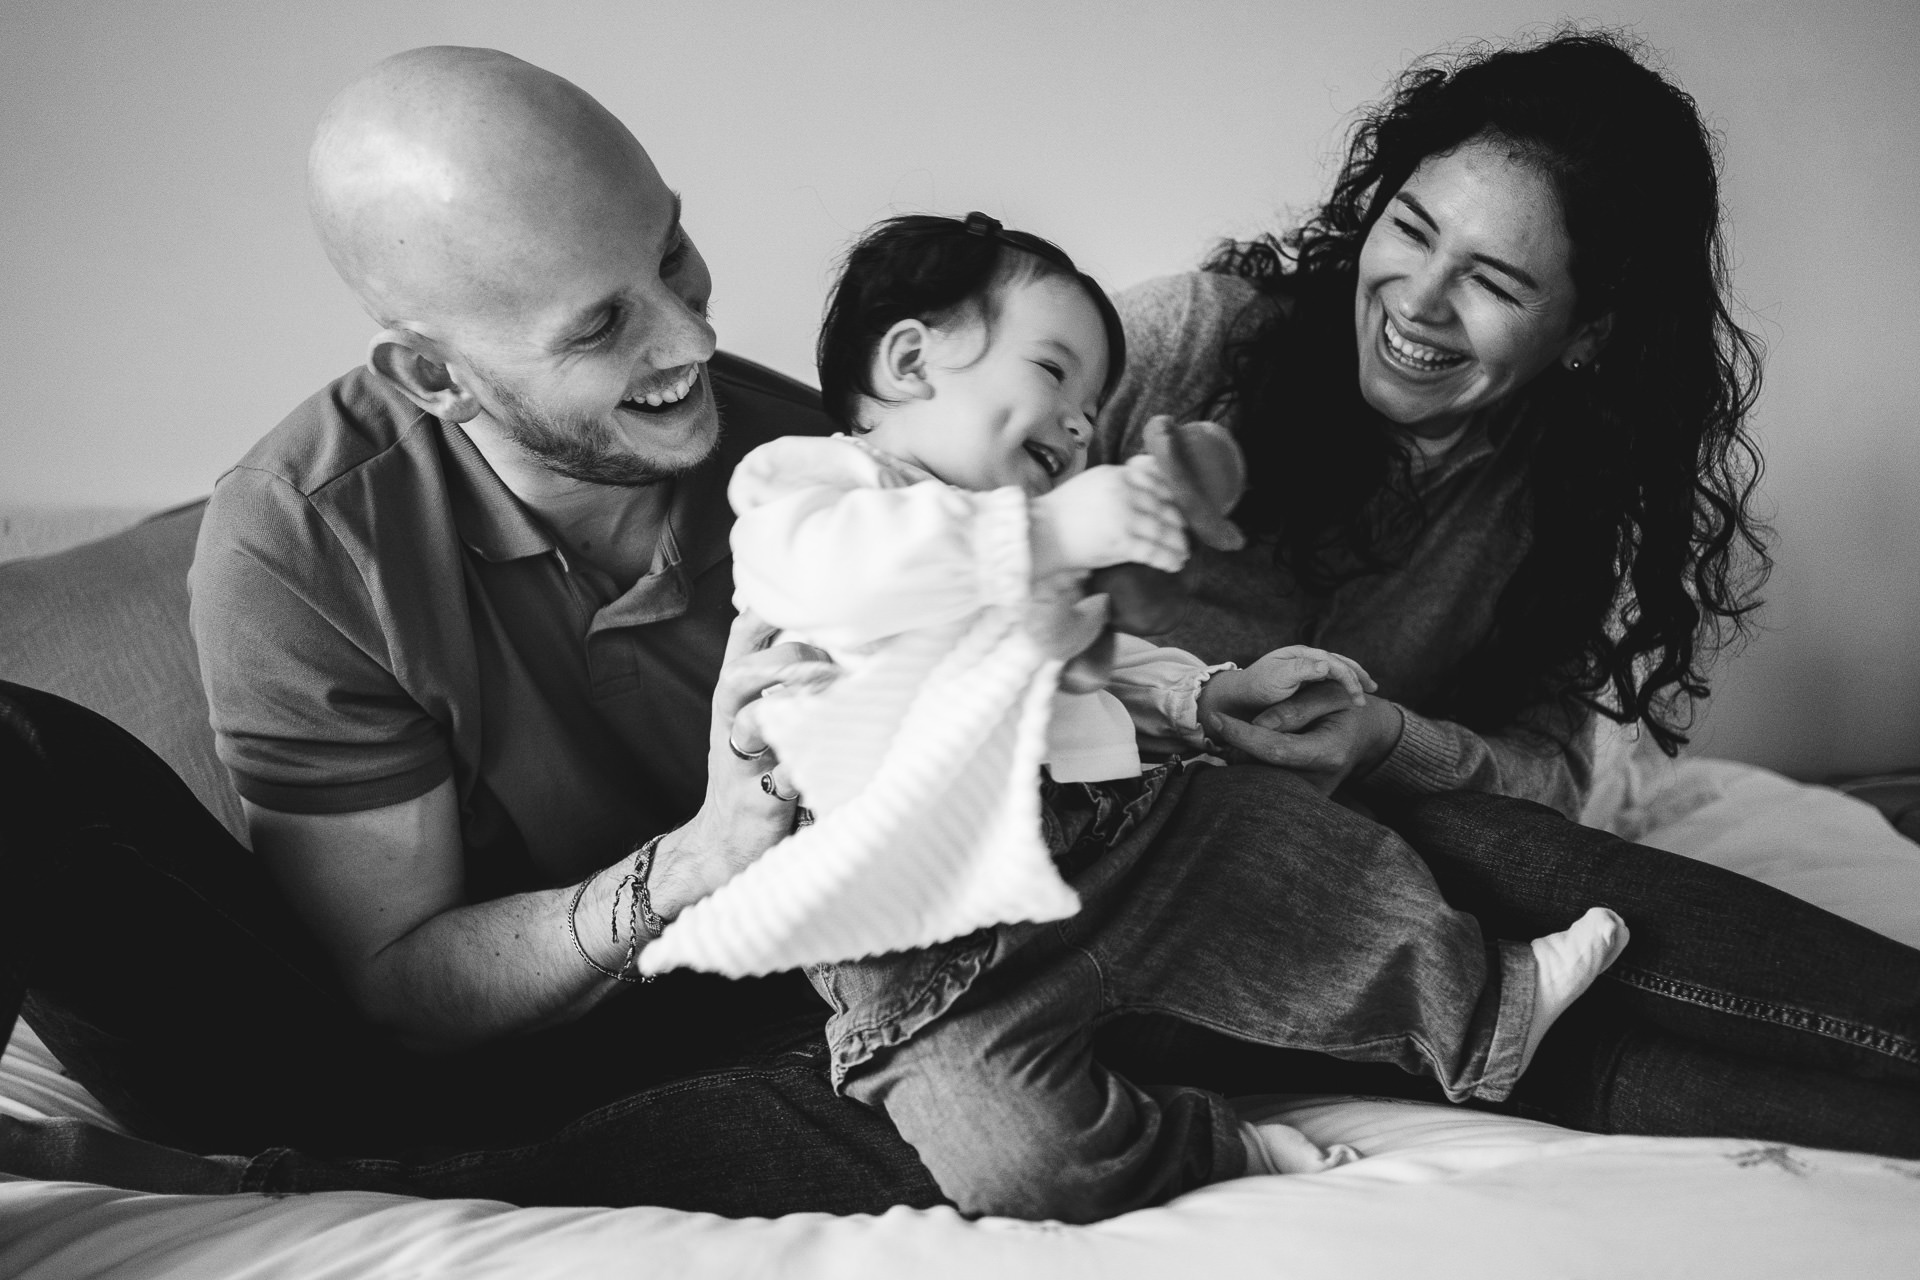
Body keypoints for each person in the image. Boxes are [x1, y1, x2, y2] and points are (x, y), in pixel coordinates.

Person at [0, 45, 944, 1216]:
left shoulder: (819, 467)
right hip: (379, 1054)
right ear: (434, 376)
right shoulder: (303, 539)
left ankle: (378, 1185)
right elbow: (395, 986)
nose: (690, 340)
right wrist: (699, 860)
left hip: (740, 1021)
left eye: (672, 254)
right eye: (602, 326)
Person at [681, 210, 1630, 1221]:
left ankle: (1487, 1006)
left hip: (1112, 838)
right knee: (1015, 1160)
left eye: (1095, 406)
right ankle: (1209, 1146)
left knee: (1286, 848)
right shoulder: (808, 493)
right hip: (923, 951)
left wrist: (1208, 696)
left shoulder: (1035, 556)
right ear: (912, 358)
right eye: (1053, 373)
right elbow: (856, 575)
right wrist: (1045, 530)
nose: (1085, 425)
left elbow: (1099, 664)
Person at [1095, 29, 1920, 1152]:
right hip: (1122, 881)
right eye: (1412, 228)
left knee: (1513, 866)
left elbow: (1551, 767)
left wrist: (1387, 738)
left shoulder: (1563, 492)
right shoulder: (1190, 340)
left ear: (1587, 333)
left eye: (1491, 280)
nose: (1419, 302)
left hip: (1368, 890)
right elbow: (906, 514)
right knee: (1511, 939)